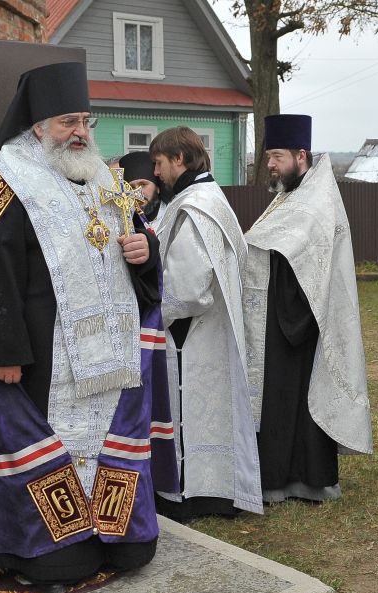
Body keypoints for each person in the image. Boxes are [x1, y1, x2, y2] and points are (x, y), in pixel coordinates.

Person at [0, 62, 178, 586]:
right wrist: (1, 351)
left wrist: (143, 251)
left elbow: (141, 238)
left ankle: (114, 533)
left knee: (131, 553)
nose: (80, 132)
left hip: (110, 361)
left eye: (86, 120)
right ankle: (32, 545)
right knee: (62, 559)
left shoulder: (104, 176)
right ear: (37, 126)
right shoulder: (3, 181)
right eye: (67, 122)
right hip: (38, 363)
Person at [241, 114, 372, 504]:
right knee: (281, 399)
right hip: (281, 312)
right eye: (267, 157)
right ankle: (280, 476)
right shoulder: (291, 194)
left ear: (301, 156)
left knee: (293, 399)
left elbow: (308, 259)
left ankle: (306, 479)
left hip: (300, 317)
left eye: (277, 156)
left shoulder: (317, 200)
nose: (270, 164)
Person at [150, 126, 261, 520]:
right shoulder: (209, 198)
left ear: (179, 159)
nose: (157, 172)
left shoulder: (195, 207)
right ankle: (211, 490)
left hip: (190, 335)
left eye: (159, 163)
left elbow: (189, 289)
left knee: (190, 415)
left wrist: (147, 317)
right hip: (208, 330)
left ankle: (188, 493)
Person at [118, 150, 164, 223]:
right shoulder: (125, 222)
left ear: (157, 188)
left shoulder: (171, 216)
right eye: (131, 187)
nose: (137, 192)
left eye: (142, 185)